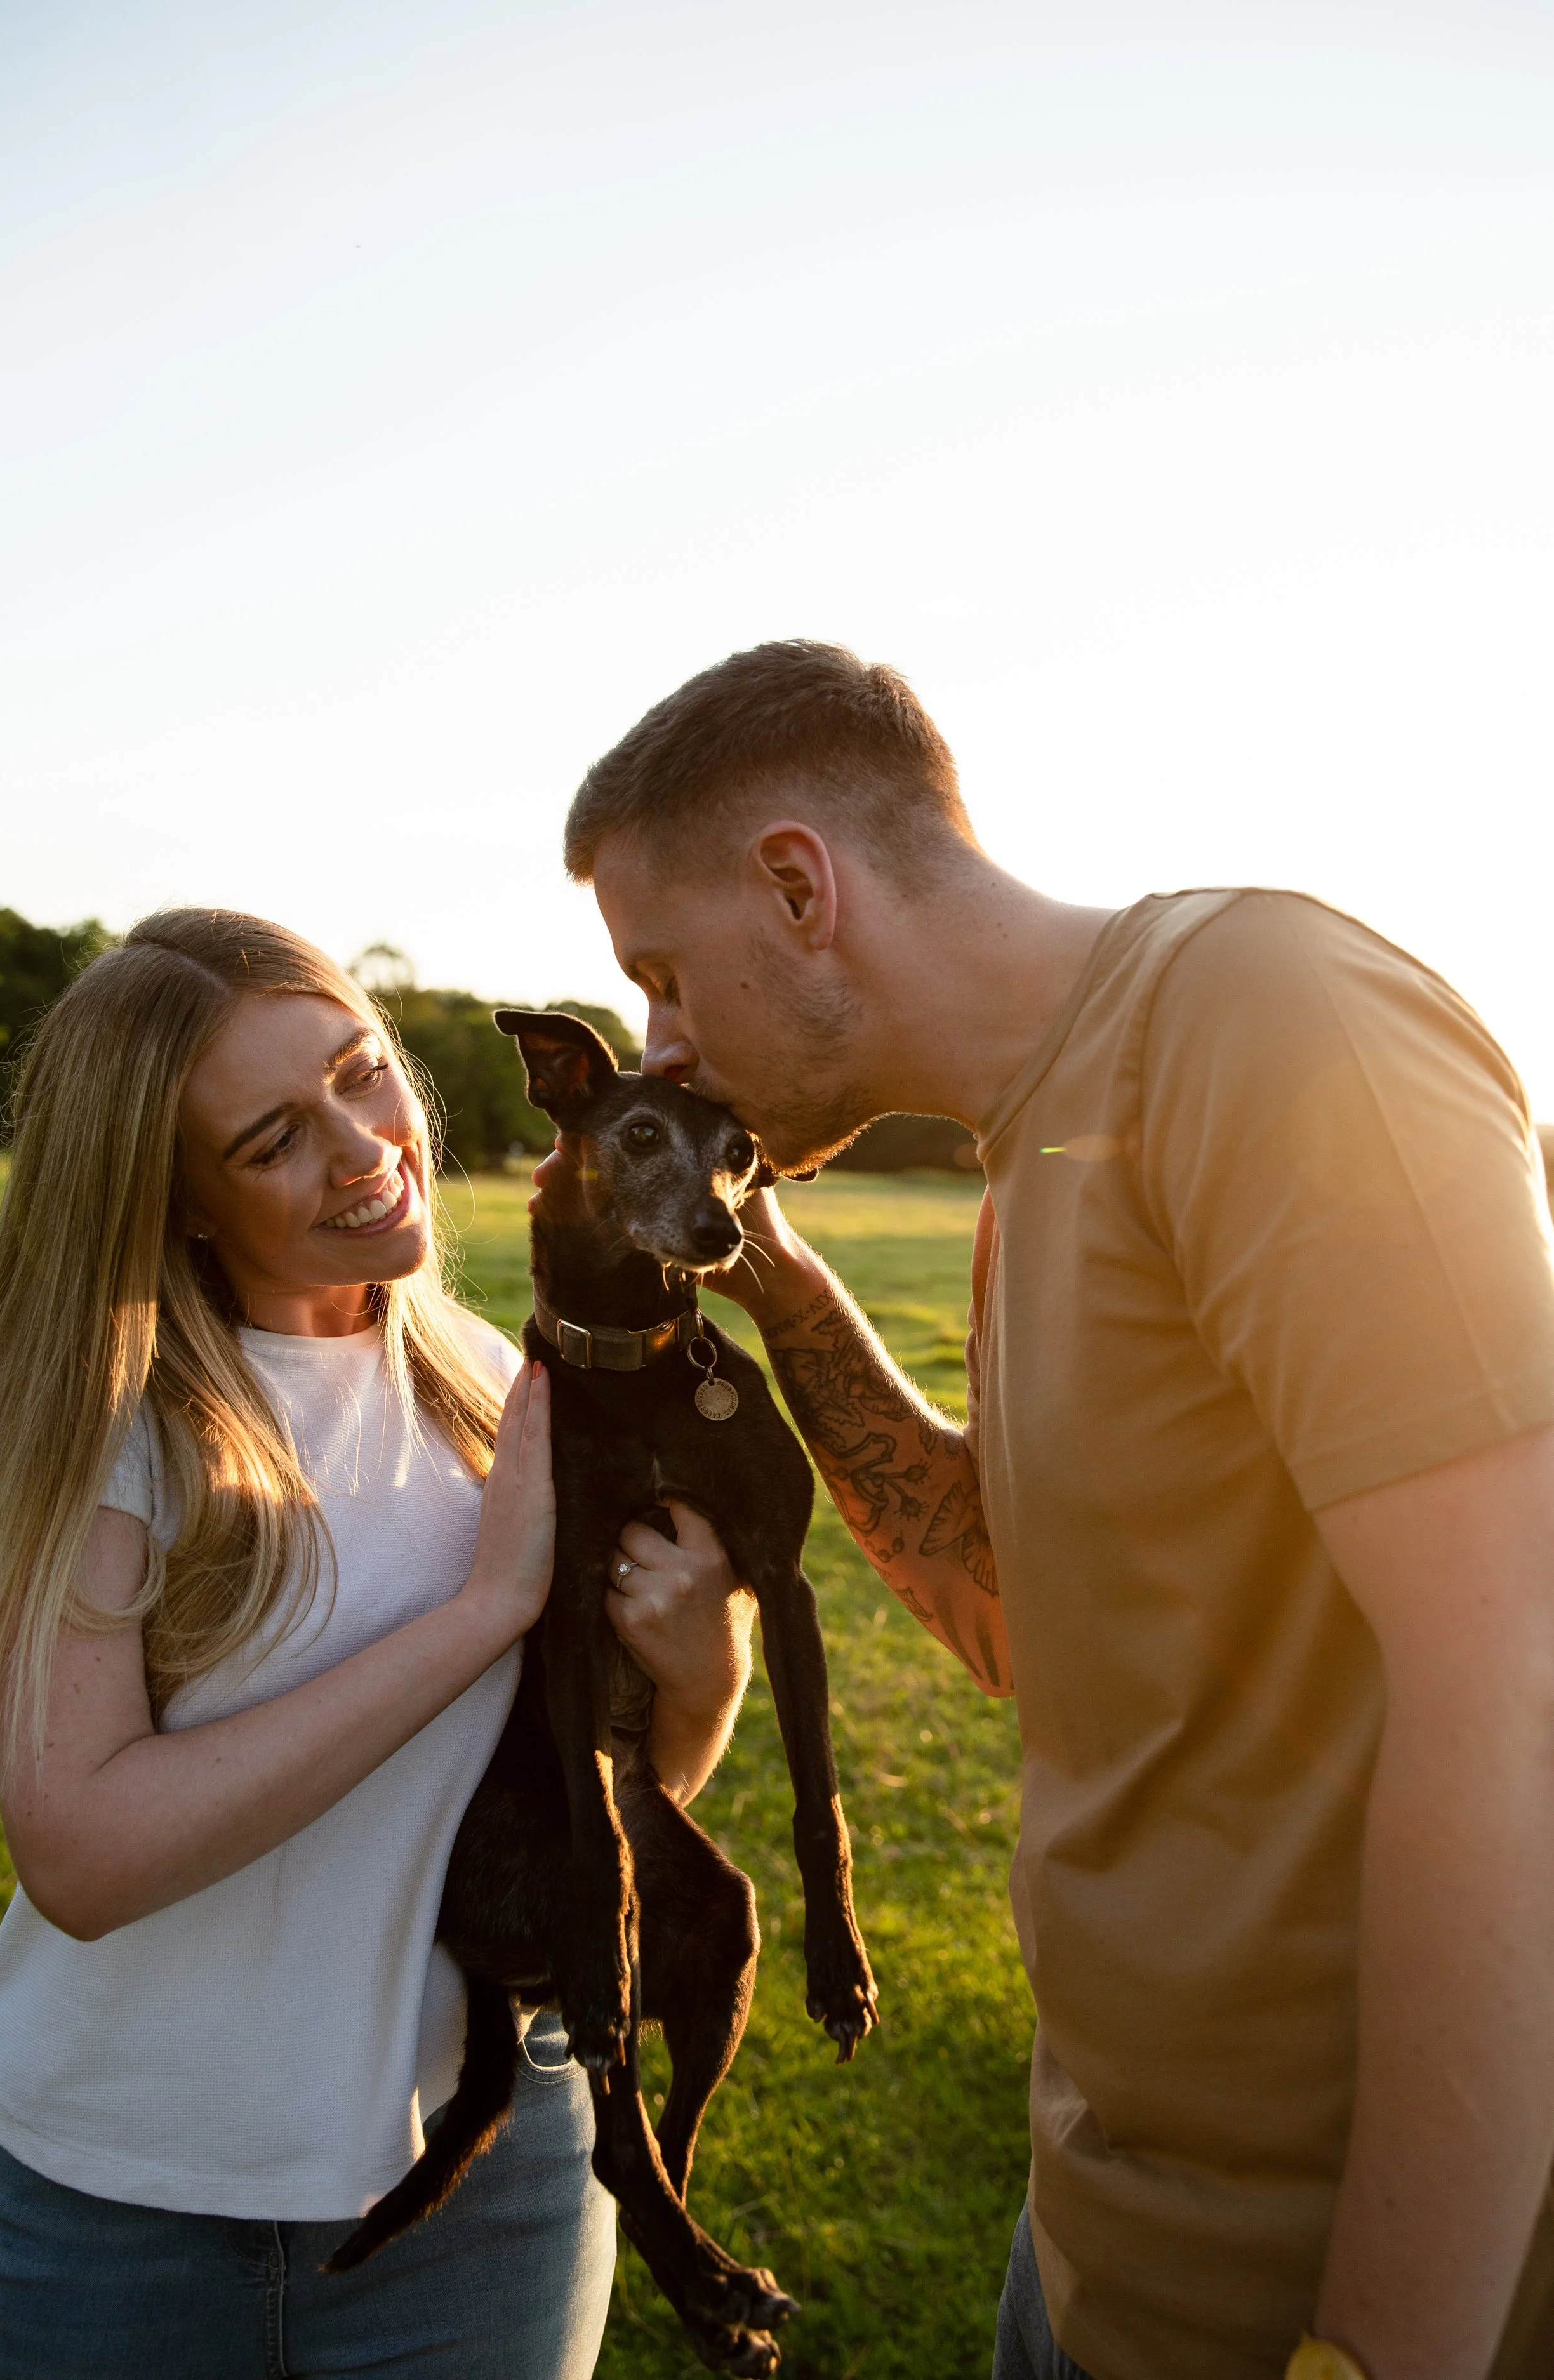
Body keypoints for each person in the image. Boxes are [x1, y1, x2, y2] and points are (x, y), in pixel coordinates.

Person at [555, 640, 1554, 2380]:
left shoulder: (1262, 1017)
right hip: (1093, 2238)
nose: (663, 1047)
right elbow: (1012, 1601)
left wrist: (1377, 2351)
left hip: (1303, 2297)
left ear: (796, 886)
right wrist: (769, 1278)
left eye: (661, 975)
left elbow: (1513, 1700)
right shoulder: (1039, 1146)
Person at [0, 908, 755, 2380]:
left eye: (360, 1071)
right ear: (177, 1197)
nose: (363, 1148)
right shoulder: (114, 1424)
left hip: (489, 2183)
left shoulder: (501, 1379)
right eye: (272, 1140)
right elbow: (79, 1854)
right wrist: (482, 1613)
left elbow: (600, 1801)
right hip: (127, 2214)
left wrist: (704, 1672)